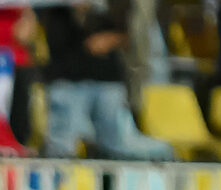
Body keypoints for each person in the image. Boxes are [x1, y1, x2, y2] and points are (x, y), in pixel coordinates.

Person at [40, 0, 173, 161]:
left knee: (122, 147)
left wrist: (111, 39)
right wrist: (79, 13)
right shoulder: (56, 11)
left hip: (107, 79)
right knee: (62, 148)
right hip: (66, 78)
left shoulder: (117, 7)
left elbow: (134, 34)